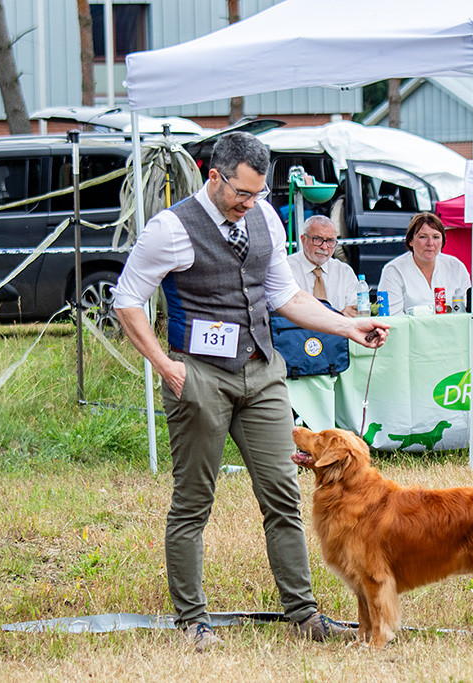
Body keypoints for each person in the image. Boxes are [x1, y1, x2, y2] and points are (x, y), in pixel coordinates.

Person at [111, 132, 389, 652]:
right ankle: (193, 620)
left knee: (282, 494)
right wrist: (165, 367)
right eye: (242, 193)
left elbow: (284, 294)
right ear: (214, 177)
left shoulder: (265, 218)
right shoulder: (169, 229)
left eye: (258, 193)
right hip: (199, 374)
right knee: (194, 500)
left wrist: (346, 326)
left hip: (261, 372)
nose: (250, 203)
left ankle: (303, 614)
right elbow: (127, 300)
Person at [378, 212, 470, 315]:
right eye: (423, 237)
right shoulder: (394, 270)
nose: (430, 243)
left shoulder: (456, 267)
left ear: (442, 241)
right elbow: (393, 317)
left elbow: (467, 311)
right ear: (411, 241)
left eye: (436, 237)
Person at [287, 215, 359, 316]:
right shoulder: (287, 268)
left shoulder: (345, 272)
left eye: (330, 241)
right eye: (317, 239)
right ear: (303, 240)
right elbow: (289, 312)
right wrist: (338, 316)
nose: (324, 247)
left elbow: (355, 311)